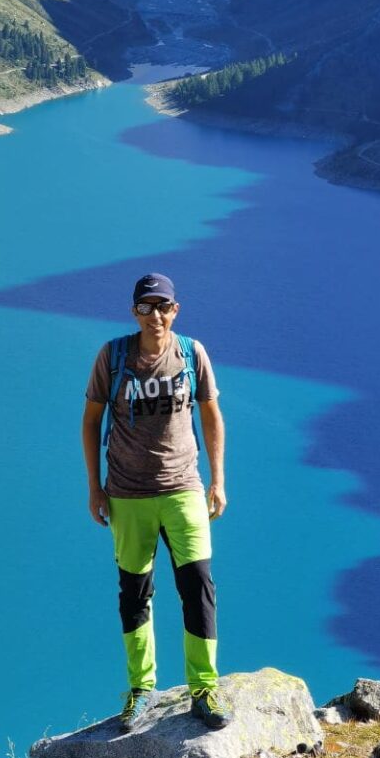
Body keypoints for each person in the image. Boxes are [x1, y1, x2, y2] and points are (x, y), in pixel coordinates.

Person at [82, 273, 231, 731]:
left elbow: (211, 414)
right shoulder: (113, 356)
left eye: (163, 307)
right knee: (135, 593)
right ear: (134, 312)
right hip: (128, 494)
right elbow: (91, 421)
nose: (156, 316)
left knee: (198, 587)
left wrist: (217, 480)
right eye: (146, 307)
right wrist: (95, 486)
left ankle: (203, 688)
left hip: (183, 487)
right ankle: (141, 690)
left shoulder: (191, 353)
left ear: (176, 309)